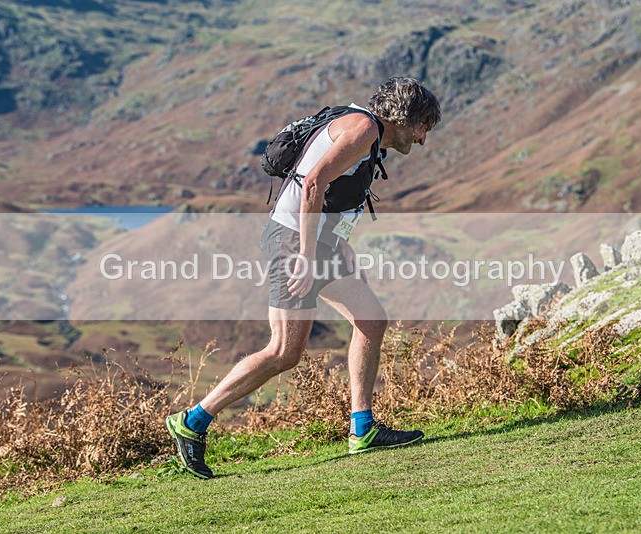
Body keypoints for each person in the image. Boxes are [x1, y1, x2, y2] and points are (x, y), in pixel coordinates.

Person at [166, 77, 441, 478]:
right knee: (283, 351)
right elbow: (313, 183)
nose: (422, 140)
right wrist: (307, 257)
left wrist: (339, 244)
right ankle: (191, 423)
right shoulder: (363, 129)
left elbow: (333, 193)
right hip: (294, 243)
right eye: (422, 128)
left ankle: (362, 429)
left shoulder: (363, 128)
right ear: (404, 117)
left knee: (371, 320)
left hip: (314, 242)